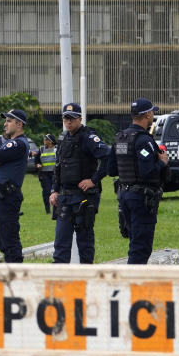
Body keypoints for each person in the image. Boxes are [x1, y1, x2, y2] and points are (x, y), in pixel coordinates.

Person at [106, 98, 168, 265]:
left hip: (125, 195)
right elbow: (147, 171)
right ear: (147, 114)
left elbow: (111, 170)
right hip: (142, 199)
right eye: (152, 112)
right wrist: (162, 162)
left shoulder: (121, 138)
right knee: (141, 247)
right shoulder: (143, 140)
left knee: (135, 242)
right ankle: (133, 284)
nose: (153, 115)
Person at [49, 103, 112, 264]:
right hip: (65, 197)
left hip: (83, 198)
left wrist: (94, 180)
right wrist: (54, 190)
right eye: (65, 119)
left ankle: (86, 279)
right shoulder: (63, 138)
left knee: (85, 243)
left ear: (80, 119)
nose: (68, 122)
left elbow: (108, 157)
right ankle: (59, 282)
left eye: (72, 119)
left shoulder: (88, 137)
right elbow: (58, 166)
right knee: (61, 244)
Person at [0, 109, 31, 263]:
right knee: (2, 239)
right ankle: (10, 270)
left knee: (9, 239)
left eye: (9, 121)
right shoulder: (9, 143)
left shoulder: (18, 143)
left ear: (19, 124)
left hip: (7, 195)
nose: (5, 124)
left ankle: (16, 274)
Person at [35, 134, 57, 214]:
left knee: (56, 191)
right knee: (46, 191)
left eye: (46, 139)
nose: (44, 141)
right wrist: (37, 164)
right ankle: (48, 210)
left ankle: (56, 208)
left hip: (55, 174)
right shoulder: (41, 149)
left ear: (50, 141)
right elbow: (36, 160)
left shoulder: (57, 149)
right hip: (44, 174)